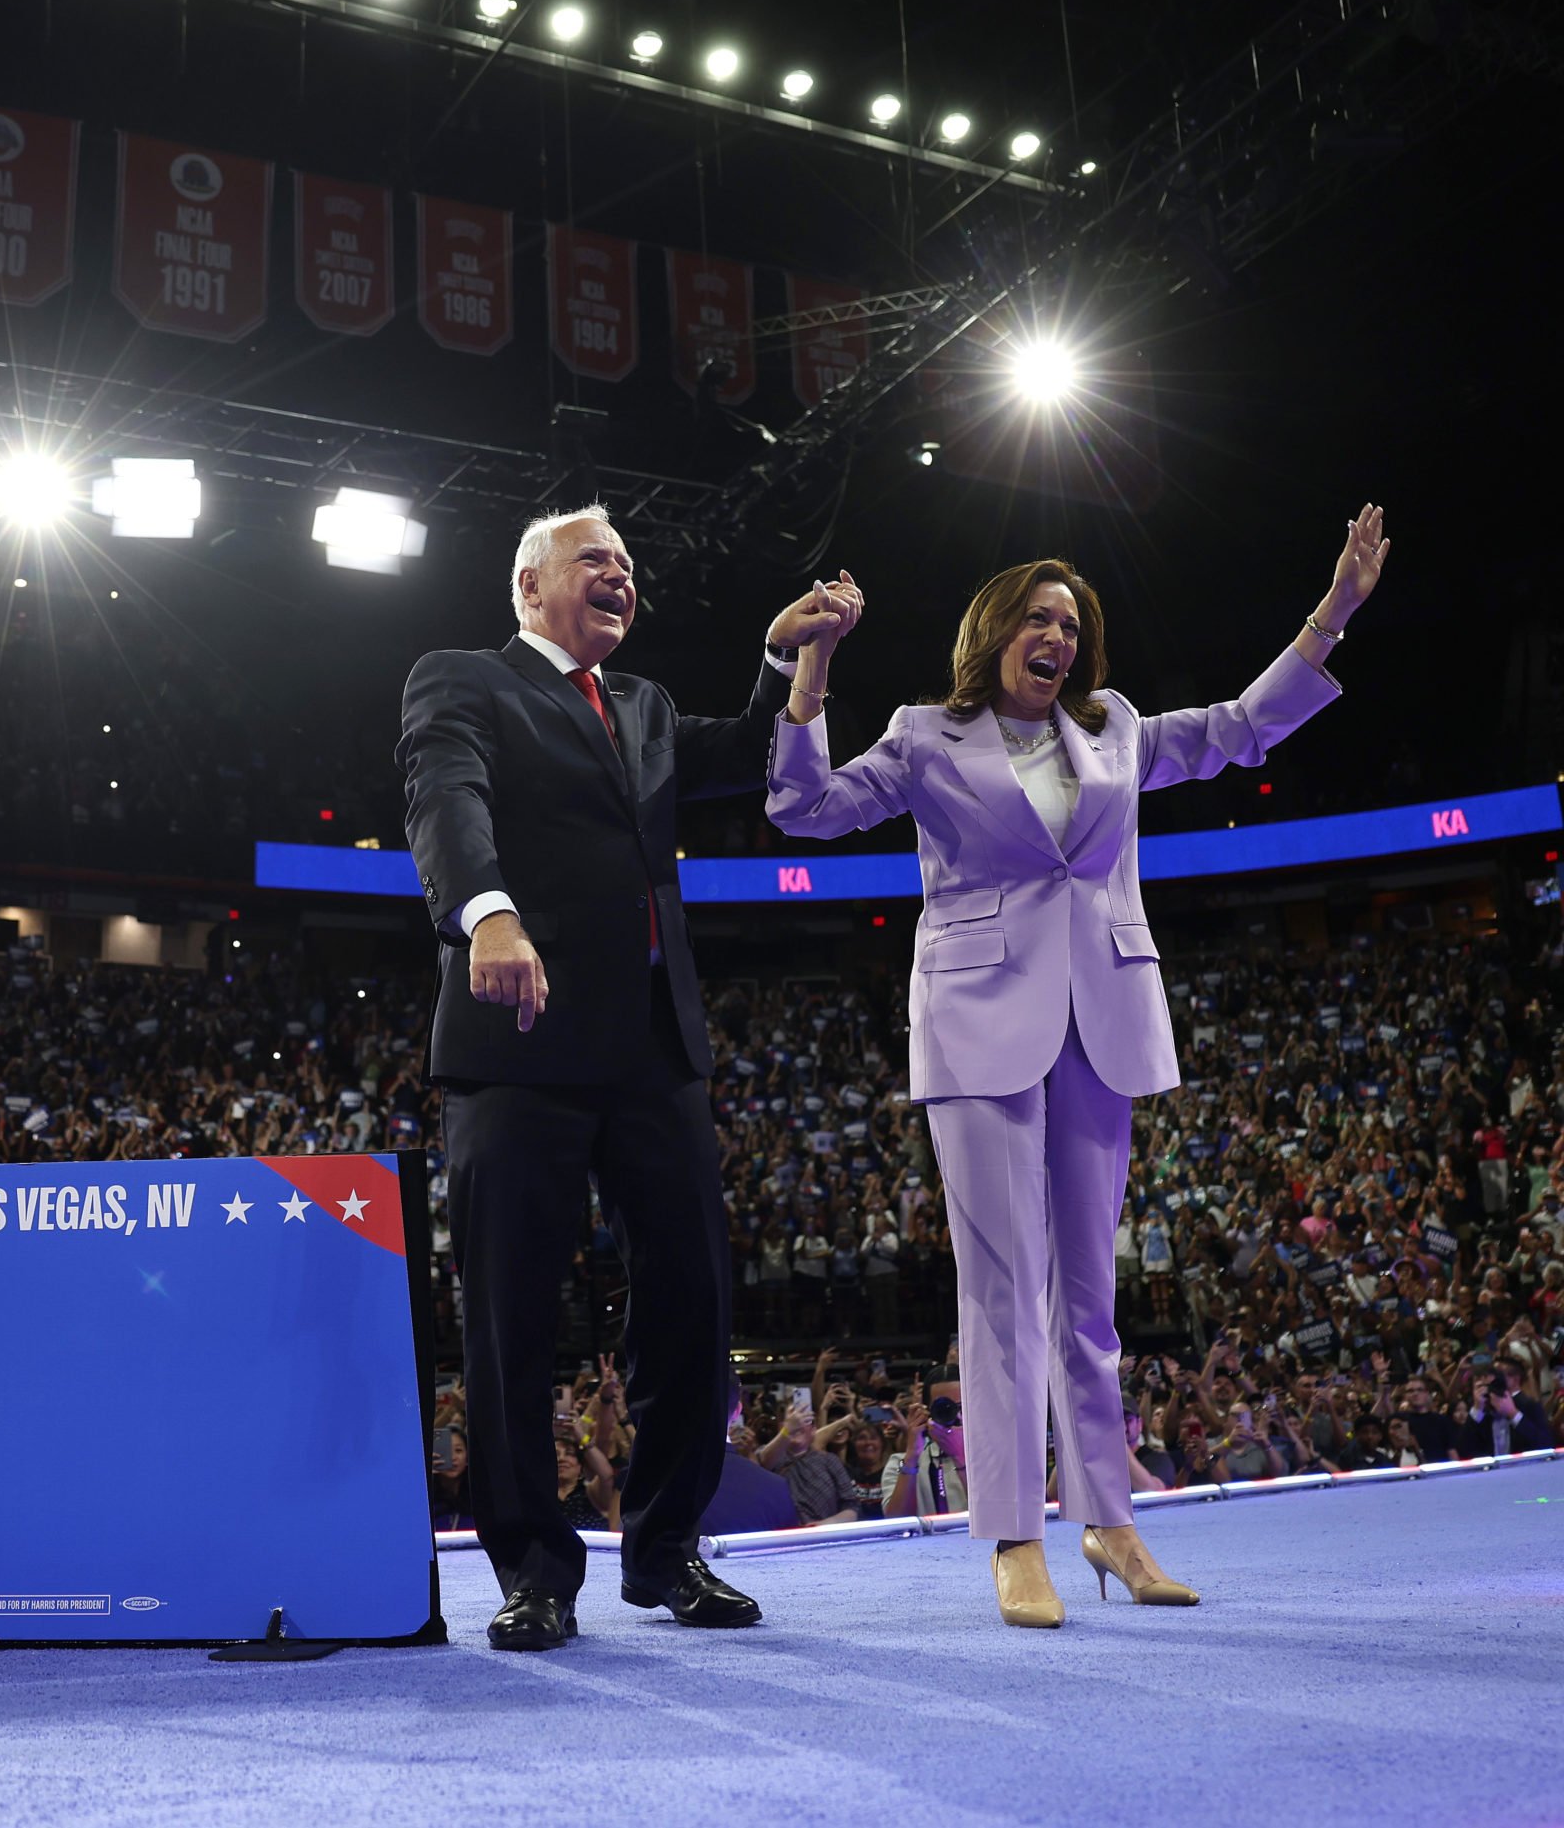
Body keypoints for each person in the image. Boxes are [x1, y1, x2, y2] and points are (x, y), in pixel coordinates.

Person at [764, 504, 1391, 1626]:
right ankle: (1013, 1537)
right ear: (994, 631)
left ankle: (1111, 1523)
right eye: (1038, 618)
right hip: (975, 1026)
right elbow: (802, 809)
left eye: (1071, 622)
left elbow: (1244, 726)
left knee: (1090, 1302)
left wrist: (1332, 613)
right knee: (1003, 1291)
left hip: (1099, 1018)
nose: (1057, 635)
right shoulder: (922, 736)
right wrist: (809, 669)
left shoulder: (1114, 729)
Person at [396, 502, 848, 1651]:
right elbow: (446, 800)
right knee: (510, 1318)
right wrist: (486, 916)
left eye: (628, 564)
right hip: (521, 1039)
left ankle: (665, 1551)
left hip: (654, 1050)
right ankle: (533, 1572)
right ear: (527, 586)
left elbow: (745, 750)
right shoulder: (461, 680)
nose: (619, 576)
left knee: (692, 1304)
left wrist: (784, 657)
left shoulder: (640, 705)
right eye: (593, 559)